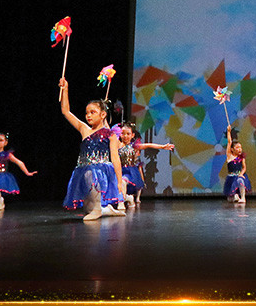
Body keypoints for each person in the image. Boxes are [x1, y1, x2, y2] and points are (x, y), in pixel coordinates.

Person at [58, 78, 124, 220]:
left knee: (91, 173)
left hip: (101, 170)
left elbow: (115, 157)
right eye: (87, 113)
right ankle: (106, 209)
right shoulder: (84, 129)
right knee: (87, 209)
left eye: (92, 112)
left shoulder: (110, 134)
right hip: (83, 168)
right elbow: (65, 111)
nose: (88, 116)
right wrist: (65, 89)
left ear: (103, 114)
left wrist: (119, 181)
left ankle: (98, 209)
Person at [117, 123, 174, 206]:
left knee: (123, 181)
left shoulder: (134, 146)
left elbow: (148, 145)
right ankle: (127, 198)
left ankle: (122, 202)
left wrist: (162, 147)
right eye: (123, 134)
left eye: (128, 134)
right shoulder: (117, 145)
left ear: (132, 135)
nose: (125, 136)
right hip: (119, 170)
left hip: (130, 171)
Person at [223, 124, 252, 204]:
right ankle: (235, 196)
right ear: (232, 149)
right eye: (237, 148)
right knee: (230, 198)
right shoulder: (230, 156)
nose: (240, 149)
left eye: (240, 147)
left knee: (240, 180)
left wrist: (241, 174)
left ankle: (243, 197)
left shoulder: (242, 157)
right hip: (231, 177)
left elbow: (244, 167)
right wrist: (229, 132)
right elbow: (229, 142)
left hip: (239, 175)